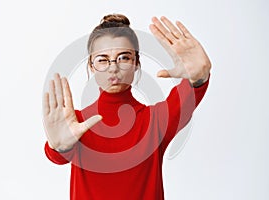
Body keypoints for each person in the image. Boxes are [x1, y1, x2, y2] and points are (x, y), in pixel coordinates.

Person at [43, 13, 211, 200]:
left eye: (123, 57)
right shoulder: (77, 123)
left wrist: (199, 77)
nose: (113, 68)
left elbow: (191, 92)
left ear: (136, 63)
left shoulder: (156, 120)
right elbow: (57, 155)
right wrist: (58, 147)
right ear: (91, 65)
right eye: (102, 59)